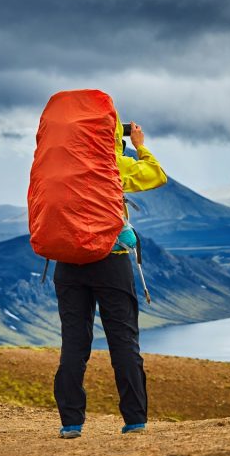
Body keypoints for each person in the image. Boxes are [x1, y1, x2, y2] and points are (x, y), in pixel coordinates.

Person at [53, 119, 167, 439]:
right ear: (115, 134)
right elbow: (156, 175)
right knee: (123, 341)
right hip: (110, 261)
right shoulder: (113, 163)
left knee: (74, 343)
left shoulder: (61, 163)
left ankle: (70, 423)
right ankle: (134, 420)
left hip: (68, 262)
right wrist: (140, 145)